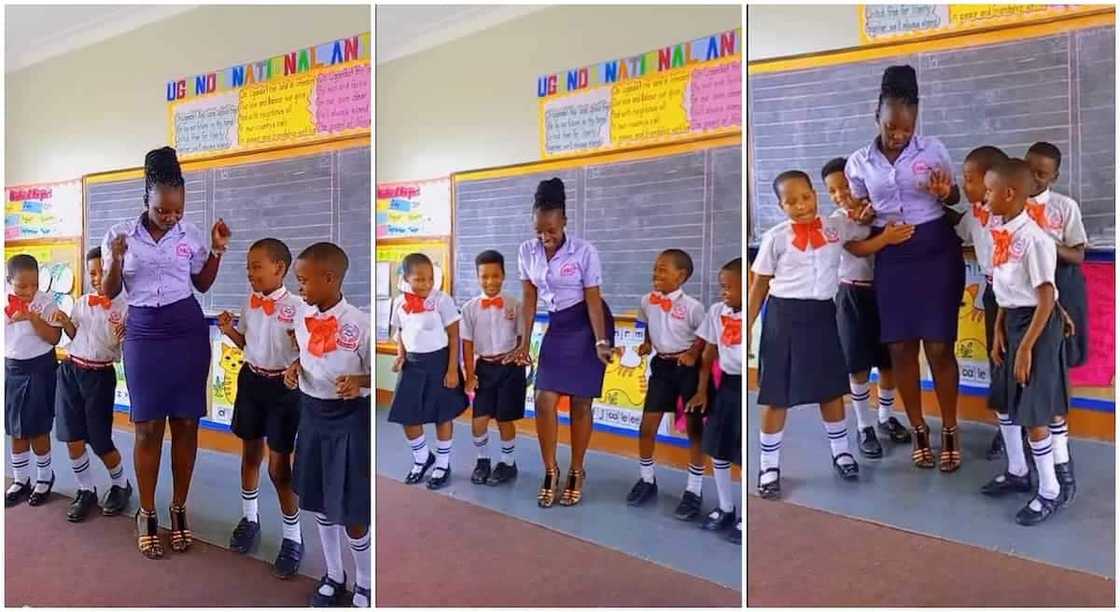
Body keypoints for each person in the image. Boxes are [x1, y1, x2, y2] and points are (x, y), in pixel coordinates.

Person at [749, 170, 913, 499]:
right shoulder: (775, 238)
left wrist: (883, 236)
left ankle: (841, 451)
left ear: (815, 194)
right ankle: (769, 465)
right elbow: (759, 286)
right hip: (784, 316)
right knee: (776, 394)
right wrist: (747, 326)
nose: (800, 206)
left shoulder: (836, 227)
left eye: (805, 197)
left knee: (830, 389)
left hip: (823, 313)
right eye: (791, 202)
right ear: (781, 205)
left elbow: (862, 238)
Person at [100, 146, 230, 559]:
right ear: (146, 200)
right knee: (147, 427)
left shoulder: (190, 235)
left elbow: (203, 285)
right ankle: (146, 511)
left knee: (187, 424)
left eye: (177, 210)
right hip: (143, 332)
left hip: (186, 330)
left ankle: (178, 509)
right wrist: (116, 260)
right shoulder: (119, 235)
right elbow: (108, 292)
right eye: (162, 211)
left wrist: (217, 250)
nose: (171, 217)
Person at [844, 65, 966, 471]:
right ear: (876, 115)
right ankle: (918, 430)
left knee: (939, 347)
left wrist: (946, 191)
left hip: (936, 251)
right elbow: (859, 215)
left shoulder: (933, 149)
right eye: (891, 127)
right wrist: (861, 212)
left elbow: (955, 194)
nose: (898, 135)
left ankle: (949, 428)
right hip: (893, 255)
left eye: (906, 129)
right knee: (899, 347)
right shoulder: (859, 163)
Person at [507, 177, 615, 508]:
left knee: (582, 403)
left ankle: (577, 470)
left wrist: (600, 341)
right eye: (540, 230)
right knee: (543, 398)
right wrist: (524, 342)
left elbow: (594, 300)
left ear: (564, 221)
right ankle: (550, 470)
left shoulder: (584, 252)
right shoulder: (527, 251)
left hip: (587, 323)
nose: (545, 237)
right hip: (557, 325)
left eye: (551, 229)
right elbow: (529, 298)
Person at [980, 158, 1069, 525]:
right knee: (1005, 401)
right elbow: (1006, 290)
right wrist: (999, 328)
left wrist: (1028, 347)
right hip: (1011, 320)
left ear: (1009, 193)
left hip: (1036, 326)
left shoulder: (1034, 239)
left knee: (1033, 412)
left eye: (988, 191)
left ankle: (1050, 490)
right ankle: (1018, 471)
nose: (984, 197)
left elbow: (1045, 297)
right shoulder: (1002, 232)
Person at [285, 242, 371, 606]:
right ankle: (334, 574)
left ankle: (365, 581)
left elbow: (385, 377)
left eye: (304, 281)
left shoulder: (359, 322)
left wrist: (360, 382)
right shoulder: (300, 317)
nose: (299, 287)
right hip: (313, 414)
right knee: (320, 499)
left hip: (349, 420)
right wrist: (294, 368)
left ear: (330, 278)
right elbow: (303, 355)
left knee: (351, 507)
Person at [217, 238, 304, 577]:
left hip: (283, 389)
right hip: (252, 382)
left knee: (280, 468)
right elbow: (244, 342)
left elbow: (306, 352)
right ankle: (249, 518)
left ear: (279, 268)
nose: (250, 273)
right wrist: (228, 331)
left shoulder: (298, 306)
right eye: (248, 267)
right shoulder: (249, 302)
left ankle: (293, 537)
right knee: (250, 455)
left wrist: (299, 361)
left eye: (256, 266)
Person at [821, 157, 904, 457]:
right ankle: (863, 426)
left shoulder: (880, 210)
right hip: (851, 296)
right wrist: (882, 236)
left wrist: (879, 224)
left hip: (886, 294)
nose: (840, 194)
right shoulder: (838, 220)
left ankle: (885, 417)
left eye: (845, 186)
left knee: (888, 361)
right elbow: (857, 248)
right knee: (857, 365)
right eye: (832, 190)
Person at [51, 247, 132, 521]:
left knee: (99, 440)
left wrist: (126, 336)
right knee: (72, 437)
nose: (97, 278)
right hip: (71, 371)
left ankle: (121, 485)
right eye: (93, 273)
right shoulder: (82, 301)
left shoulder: (126, 307)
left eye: (103, 272)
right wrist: (64, 323)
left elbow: (126, 350)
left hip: (99, 376)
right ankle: (86, 490)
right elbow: (75, 334)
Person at [1025, 141, 1086, 501]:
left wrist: (1045, 243)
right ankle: (1028, 453)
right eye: (1029, 168)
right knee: (1028, 372)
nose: (1034, 177)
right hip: (1024, 295)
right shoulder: (1011, 200)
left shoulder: (1064, 207)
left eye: (1042, 173)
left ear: (1055, 176)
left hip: (1059, 286)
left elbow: (1078, 254)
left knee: (1055, 370)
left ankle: (1060, 461)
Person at [626, 249, 707, 521]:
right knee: (647, 426)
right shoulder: (647, 301)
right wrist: (647, 343)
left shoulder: (694, 307)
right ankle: (647, 479)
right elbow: (647, 325)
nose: (655, 274)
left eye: (662, 269)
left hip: (686, 370)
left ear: (680, 276)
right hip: (661, 367)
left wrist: (693, 353)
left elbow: (705, 337)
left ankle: (693, 490)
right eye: (655, 268)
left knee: (695, 430)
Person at [388, 253, 468, 490]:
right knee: (406, 415)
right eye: (419, 279)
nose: (426, 284)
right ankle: (423, 458)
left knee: (442, 414)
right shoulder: (399, 303)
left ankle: (443, 463)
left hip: (440, 362)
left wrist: (453, 369)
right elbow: (400, 332)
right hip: (413, 364)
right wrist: (400, 355)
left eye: (430, 279)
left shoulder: (442, 300)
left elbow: (455, 337)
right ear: (406, 278)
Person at [689, 258, 744, 543]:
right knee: (717, 448)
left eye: (730, 288)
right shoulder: (716, 311)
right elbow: (708, 353)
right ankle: (725, 507)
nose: (724, 292)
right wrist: (702, 390)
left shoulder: (755, 314)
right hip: (726, 387)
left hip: (744, 387)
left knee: (742, 453)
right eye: (722, 287)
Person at [461, 250, 526, 486]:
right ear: (477, 277)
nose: (490, 281)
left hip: (509, 369)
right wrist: (470, 376)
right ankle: (483, 460)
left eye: (495, 275)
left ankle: (508, 464)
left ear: (504, 275)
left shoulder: (515, 304)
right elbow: (467, 346)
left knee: (504, 419)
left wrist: (517, 357)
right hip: (484, 369)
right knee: (479, 420)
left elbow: (522, 338)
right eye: (485, 276)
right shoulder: (469, 308)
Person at [5, 254, 62, 508]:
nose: (29, 291)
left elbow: (54, 338)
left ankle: (44, 477)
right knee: (15, 427)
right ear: (9, 281)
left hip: (40, 367)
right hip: (12, 368)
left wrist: (33, 318)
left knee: (38, 427)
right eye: (21, 286)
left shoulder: (45, 302)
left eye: (34, 285)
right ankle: (20, 479)